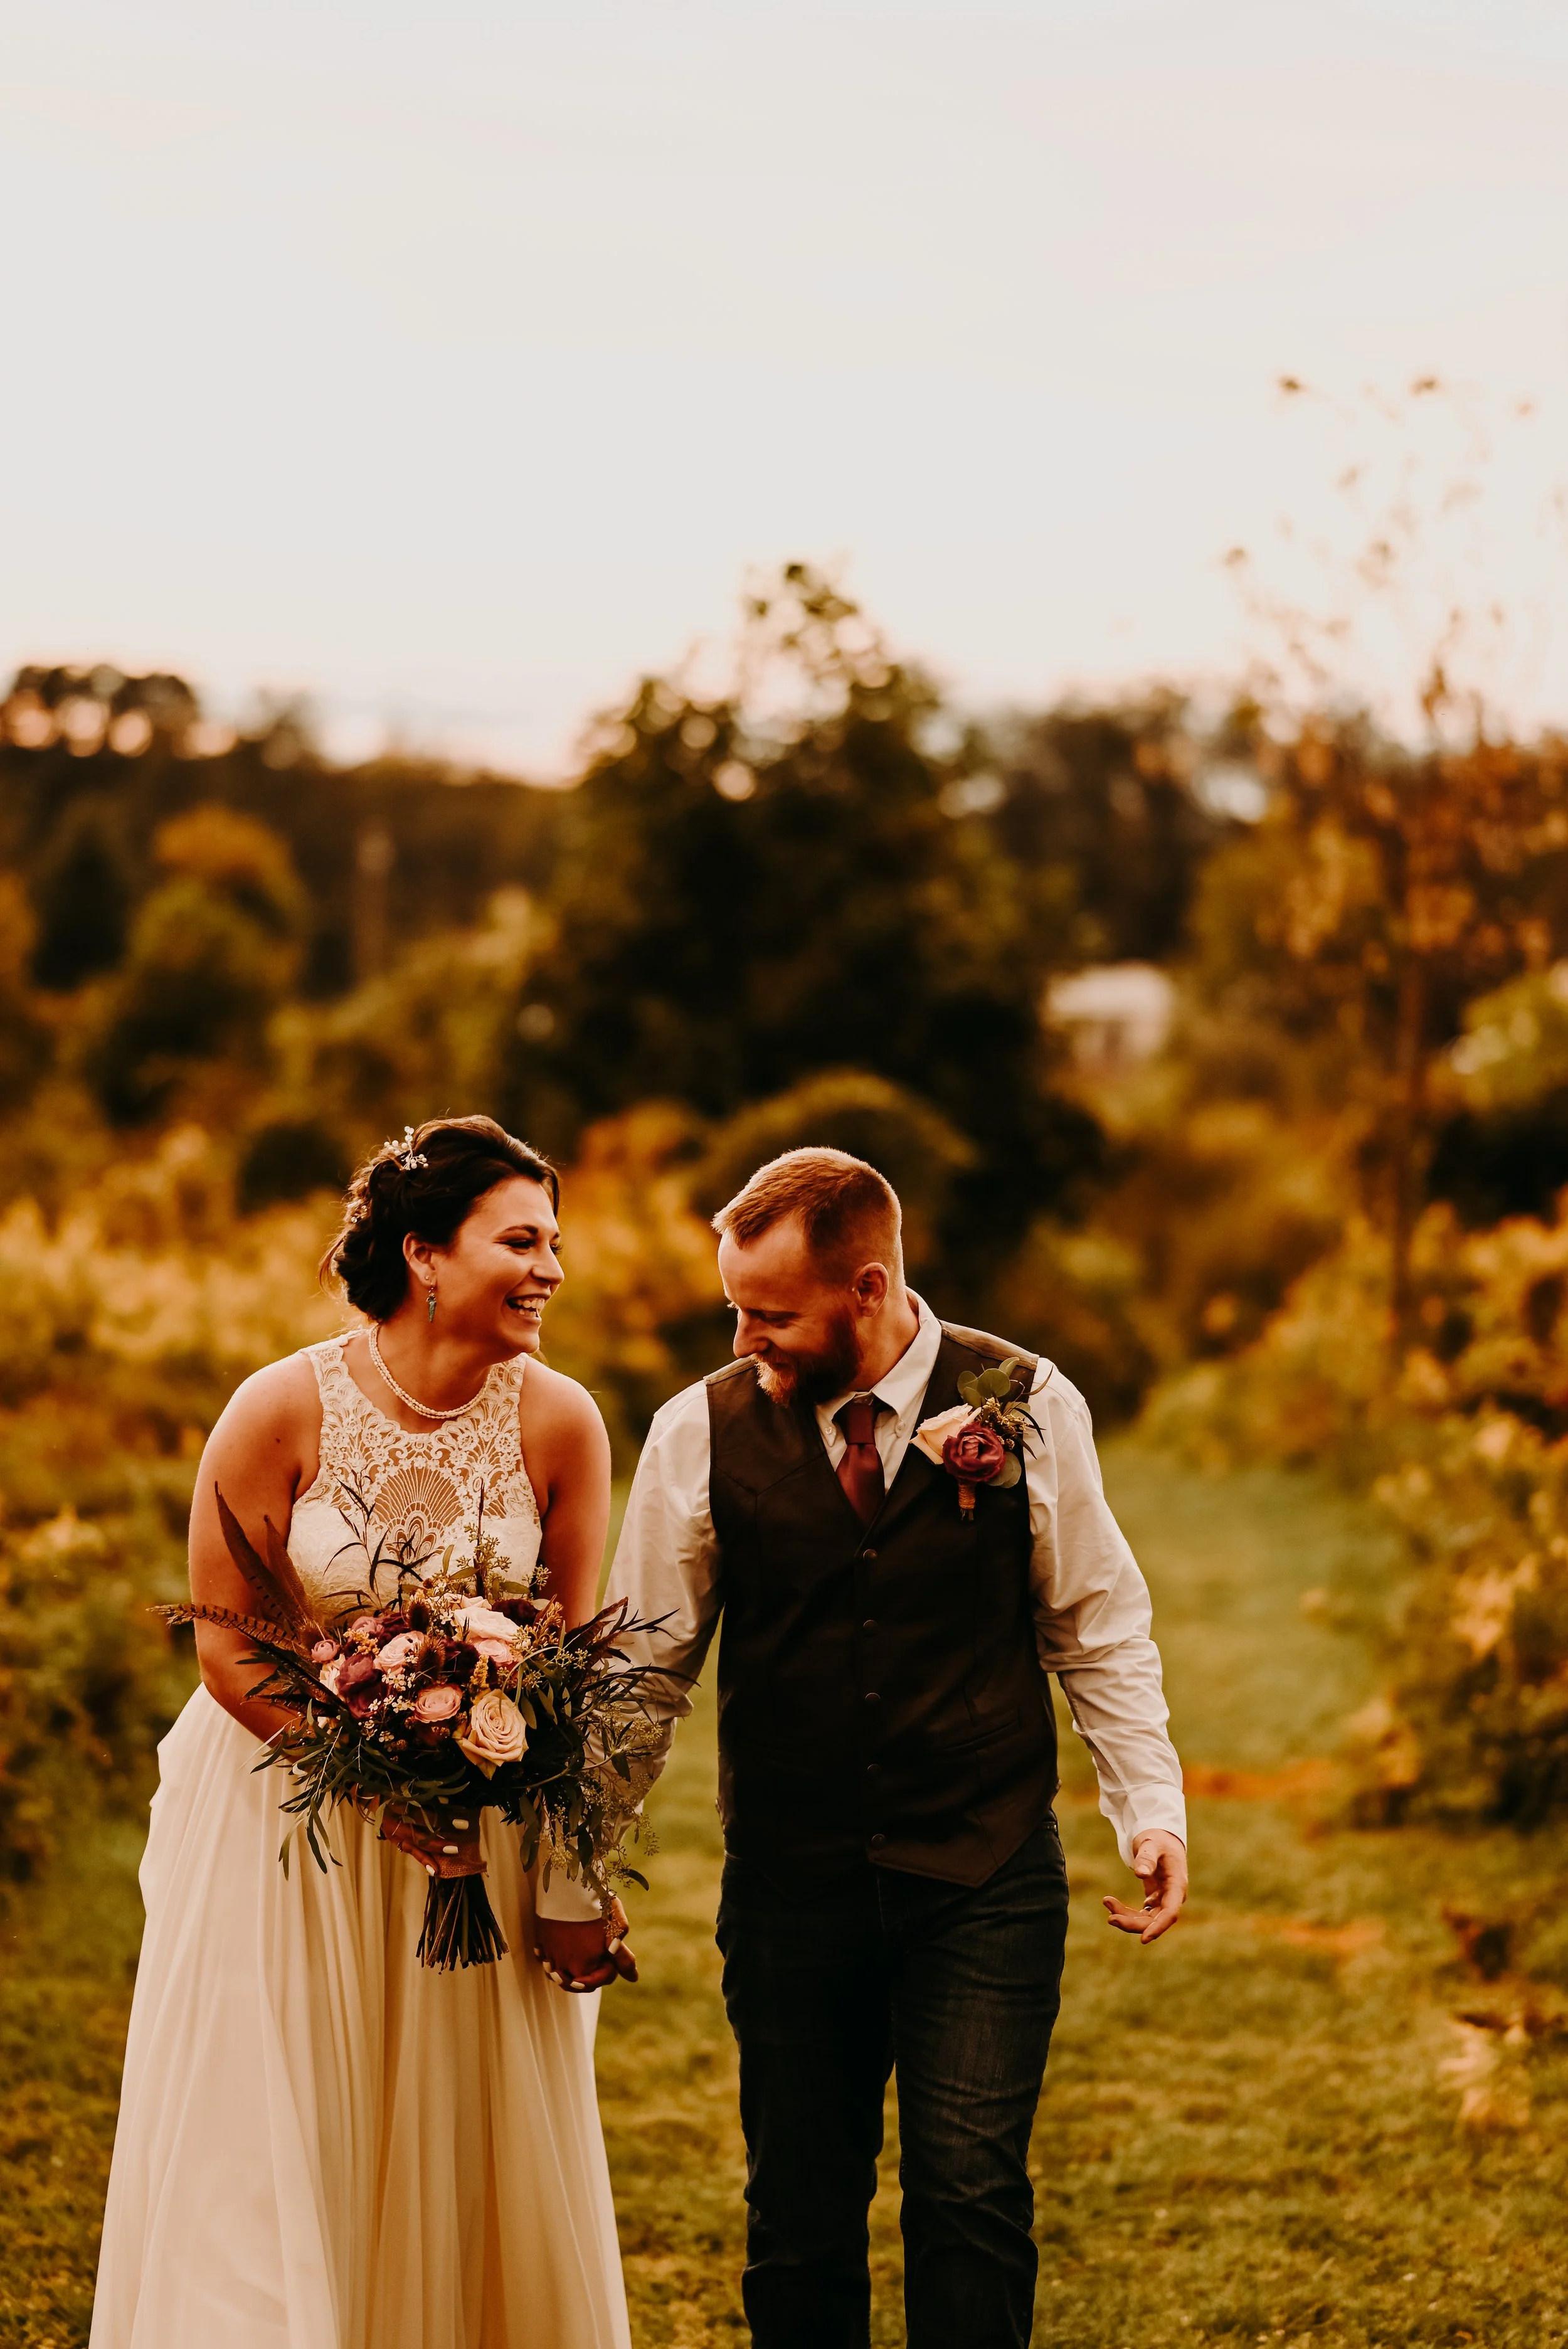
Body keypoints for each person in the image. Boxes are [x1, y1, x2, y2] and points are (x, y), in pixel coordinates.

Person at [598, 1146, 1188, 2349]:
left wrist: (1151, 1810)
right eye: (734, 1312)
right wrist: (577, 1863)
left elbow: (1094, 1623)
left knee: (971, 2201)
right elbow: (643, 1668)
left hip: (983, 1877)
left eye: (772, 1315)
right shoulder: (694, 1431)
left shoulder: (1027, 1400)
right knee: (798, 2219)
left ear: (867, 1289)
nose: (746, 1339)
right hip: (792, 1886)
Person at [92, 1116, 633, 2349]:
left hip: (479, 1841)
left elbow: (577, 1660)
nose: (551, 1268)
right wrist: (373, 1774)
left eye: (556, 1243)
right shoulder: (278, 1410)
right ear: (422, 1254)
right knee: (281, 2150)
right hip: (296, 1842)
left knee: (465, 2156)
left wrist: (565, 1867)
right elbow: (230, 1646)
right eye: (522, 1240)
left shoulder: (560, 1422)